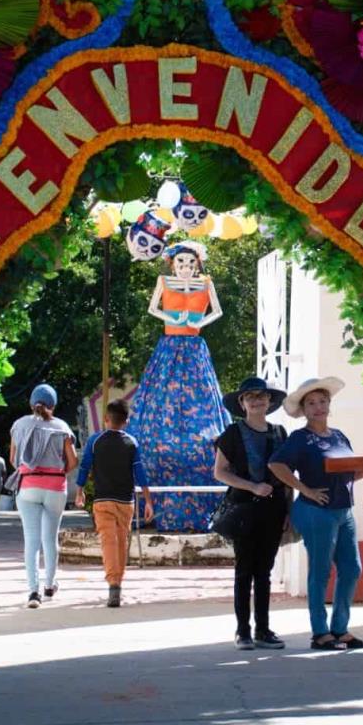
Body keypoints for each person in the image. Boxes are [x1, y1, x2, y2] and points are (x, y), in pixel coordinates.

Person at [127, 240, 232, 531]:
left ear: (198, 264)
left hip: (195, 347)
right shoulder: (164, 281)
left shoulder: (206, 283)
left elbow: (217, 312)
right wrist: (172, 317)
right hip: (170, 346)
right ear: (172, 264)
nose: (186, 267)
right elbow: (153, 308)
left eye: (191, 263)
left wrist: (199, 320)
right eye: (181, 262)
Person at [269, 377, 363, 650]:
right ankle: (320, 632)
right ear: (303, 409)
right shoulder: (300, 438)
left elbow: (352, 470)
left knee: (352, 569)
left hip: (343, 510)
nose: (318, 407)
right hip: (315, 511)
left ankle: (341, 629)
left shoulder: (339, 435)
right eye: (311, 403)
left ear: (329, 404)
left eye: (322, 401)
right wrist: (306, 490)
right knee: (320, 571)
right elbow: (276, 465)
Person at [213, 376, 291, 650]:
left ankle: (264, 630)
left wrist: (288, 511)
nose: (257, 400)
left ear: (270, 401)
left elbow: (288, 475)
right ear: (242, 403)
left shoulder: (280, 433)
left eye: (262, 396)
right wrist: (252, 486)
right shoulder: (232, 434)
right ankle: (243, 630)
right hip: (244, 509)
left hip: (274, 510)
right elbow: (219, 471)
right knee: (244, 570)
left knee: (265, 572)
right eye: (250, 397)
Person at [75, 398, 155, 608]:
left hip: (102, 501)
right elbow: (140, 474)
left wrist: (79, 491)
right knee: (121, 542)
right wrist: (148, 501)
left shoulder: (95, 441)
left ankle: (113, 585)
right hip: (126, 502)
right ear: (126, 421)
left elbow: (84, 467)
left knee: (108, 543)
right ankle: (117, 584)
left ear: (106, 419)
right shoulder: (132, 442)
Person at [11, 383, 78, 609]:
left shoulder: (19, 425)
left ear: (31, 403)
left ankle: (33, 592)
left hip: (28, 486)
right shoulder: (62, 427)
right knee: (50, 538)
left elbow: (13, 459)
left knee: (31, 540)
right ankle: (50, 585)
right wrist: (58, 472)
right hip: (55, 488)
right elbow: (73, 460)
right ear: (54, 405)